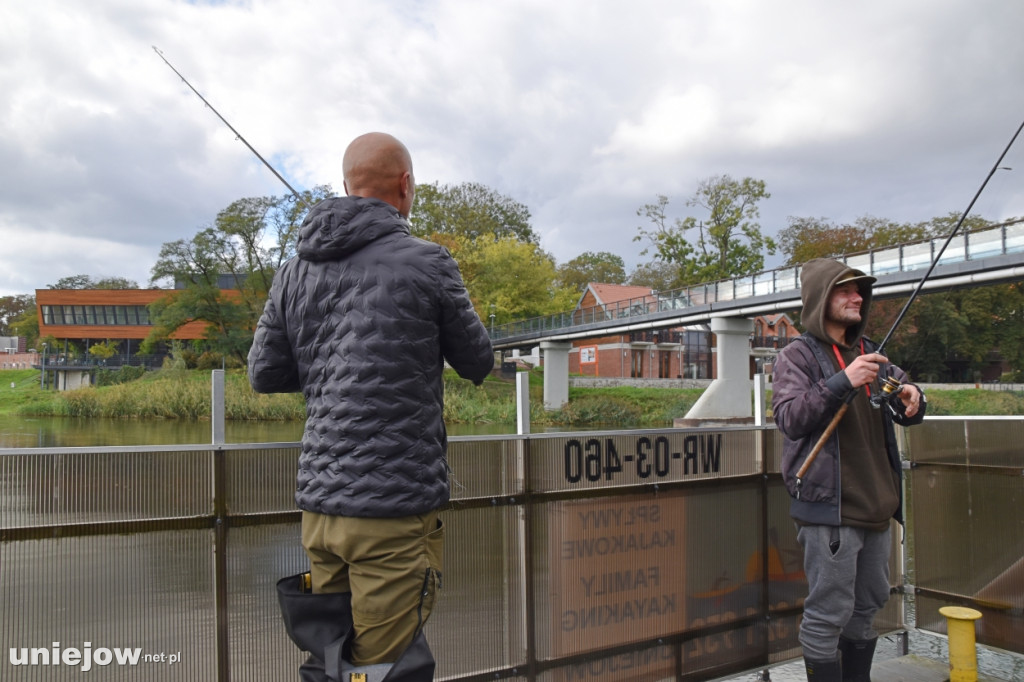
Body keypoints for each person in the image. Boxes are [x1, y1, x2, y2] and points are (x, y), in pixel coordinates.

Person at [248, 132, 494, 681]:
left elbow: (264, 374)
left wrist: (330, 370)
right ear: (405, 186)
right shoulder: (427, 262)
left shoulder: (293, 272)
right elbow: (477, 360)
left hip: (320, 510)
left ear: (346, 186)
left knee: (331, 659)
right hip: (392, 508)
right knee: (384, 669)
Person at [771, 258, 926, 682]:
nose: (858, 297)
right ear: (821, 299)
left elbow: (906, 408)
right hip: (829, 509)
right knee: (828, 613)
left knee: (868, 606)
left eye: (860, 290)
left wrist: (913, 396)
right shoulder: (795, 356)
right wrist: (843, 381)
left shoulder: (870, 352)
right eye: (845, 290)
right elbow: (790, 419)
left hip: (877, 507)